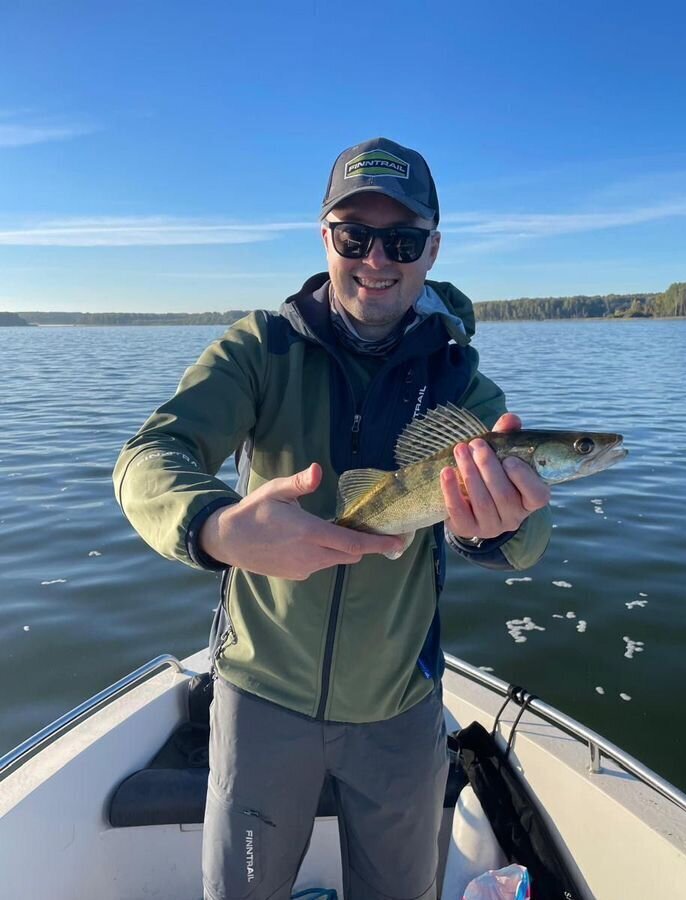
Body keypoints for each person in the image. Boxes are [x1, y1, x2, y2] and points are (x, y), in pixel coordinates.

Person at [113, 137, 552, 900]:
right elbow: (150, 455)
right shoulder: (261, 349)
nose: (376, 259)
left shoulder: (464, 386)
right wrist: (216, 527)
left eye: (403, 240)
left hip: (400, 710)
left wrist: (499, 526)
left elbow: (527, 542)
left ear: (432, 250)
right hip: (259, 699)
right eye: (355, 236)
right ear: (326, 238)